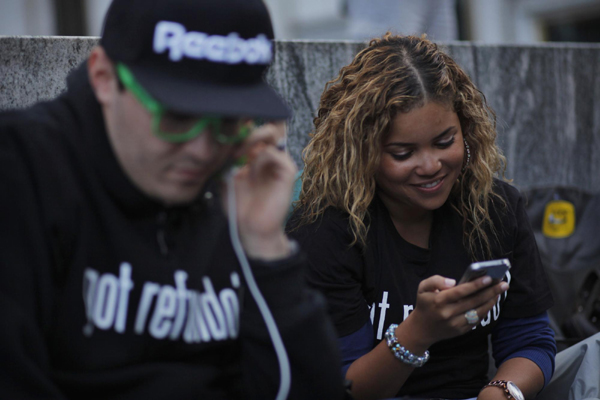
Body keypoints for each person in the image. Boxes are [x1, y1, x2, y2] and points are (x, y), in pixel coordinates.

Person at [0, 0, 345, 399]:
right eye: (176, 118)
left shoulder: (231, 190)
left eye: (228, 122)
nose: (201, 150)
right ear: (104, 77)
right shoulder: (22, 171)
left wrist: (266, 249)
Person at [287, 33, 556, 400]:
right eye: (402, 152)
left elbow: (531, 338)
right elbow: (342, 387)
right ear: (362, 151)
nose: (431, 166)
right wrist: (418, 332)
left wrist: (502, 391)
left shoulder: (496, 208)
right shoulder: (325, 231)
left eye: (445, 142)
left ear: (466, 130)